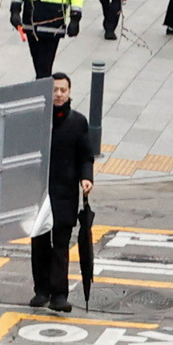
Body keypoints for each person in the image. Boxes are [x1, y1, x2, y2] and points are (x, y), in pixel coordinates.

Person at [29, 75, 102, 307]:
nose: (59, 94)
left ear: (69, 92)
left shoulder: (77, 122)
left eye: (63, 90)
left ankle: (59, 294)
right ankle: (41, 290)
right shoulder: (38, 120)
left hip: (65, 193)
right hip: (40, 192)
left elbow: (85, 156)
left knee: (61, 244)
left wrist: (86, 177)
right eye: (55, 90)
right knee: (39, 243)